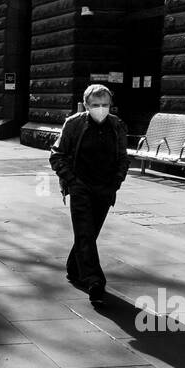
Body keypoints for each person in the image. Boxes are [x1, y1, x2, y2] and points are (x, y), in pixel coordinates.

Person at [49, 84, 130, 304]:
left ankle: (74, 268)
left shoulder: (117, 125)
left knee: (90, 233)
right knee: (85, 232)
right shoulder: (74, 124)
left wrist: (116, 182)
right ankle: (95, 281)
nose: (101, 109)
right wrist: (72, 182)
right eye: (95, 105)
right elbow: (57, 155)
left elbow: (123, 158)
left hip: (105, 188)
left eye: (105, 104)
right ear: (86, 105)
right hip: (80, 186)